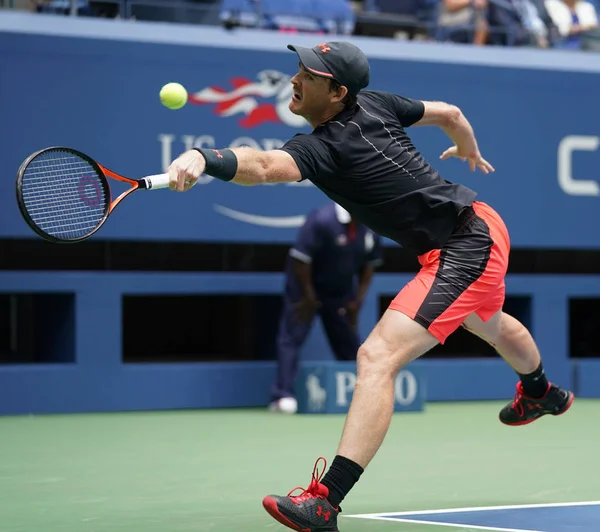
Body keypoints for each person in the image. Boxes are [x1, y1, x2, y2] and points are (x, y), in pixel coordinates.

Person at [166, 41, 575, 532]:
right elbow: (451, 112)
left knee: (377, 357)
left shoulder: (325, 146)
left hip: (466, 244)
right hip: (474, 230)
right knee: (488, 323)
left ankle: (325, 501)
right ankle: (542, 392)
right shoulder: (376, 103)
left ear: (338, 91)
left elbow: (265, 167)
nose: (293, 80)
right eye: (298, 69)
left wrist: (203, 157)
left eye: (309, 76)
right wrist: (466, 144)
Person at [270, 202, 383, 414]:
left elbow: (369, 266)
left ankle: (365, 394)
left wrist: (356, 302)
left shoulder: (371, 226)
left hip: (339, 291)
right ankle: (282, 395)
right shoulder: (321, 219)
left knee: (348, 341)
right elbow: (300, 260)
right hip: (303, 289)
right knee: (292, 337)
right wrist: (309, 298)